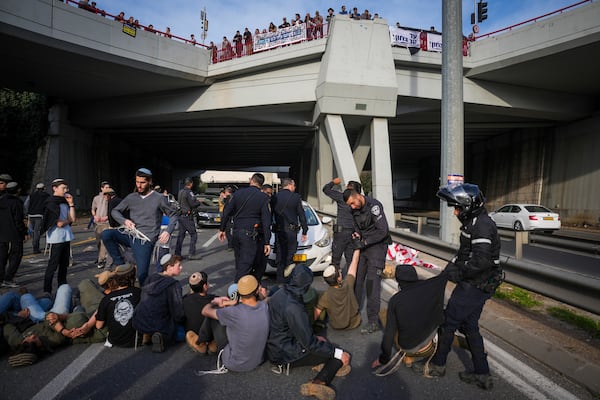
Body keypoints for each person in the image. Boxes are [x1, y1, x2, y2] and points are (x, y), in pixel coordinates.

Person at [412, 183, 503, 390]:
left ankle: (438, 365)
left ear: (468, 206)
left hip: (476, 284)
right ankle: (482, 374)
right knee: (470, 326)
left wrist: (458, 274)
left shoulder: (482, 226)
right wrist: (447, 272)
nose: (454, 212)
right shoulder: (472, 223)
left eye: (457, 208)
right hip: (476, 283)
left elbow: (481, 262)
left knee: (448, 322)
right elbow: (463, 255)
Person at [267, 264, 351, 400]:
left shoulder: (280, 293)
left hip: (276, 346)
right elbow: (310, 344)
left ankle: (320, 364)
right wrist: (338, 353)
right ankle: (318, 382)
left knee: (322, 344)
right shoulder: (294, 308)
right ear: (305, 286)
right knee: (337, 356)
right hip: (285, 354)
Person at [101, 168, 178, 285]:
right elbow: (115, 211)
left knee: (142, 276)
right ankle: (121, 265)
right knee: (106, 234)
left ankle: (144, 298)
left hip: (145, 240)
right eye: (137, 182)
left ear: (150, 182)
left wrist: (168, 231)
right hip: (130, 234)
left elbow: (173, 214)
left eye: (142, 182)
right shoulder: (131, 198)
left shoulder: (159, 198)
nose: (139, 185)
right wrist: (125, 221)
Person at [371, 264, 447, 375]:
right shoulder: (432, 285)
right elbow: (446, 273)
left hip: (410, 348)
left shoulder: (396, 300)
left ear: (398, 280)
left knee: (384, 314)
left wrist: (383, 359)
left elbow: (389, 334)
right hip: (431, 345)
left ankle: (409, 357)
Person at [197, 275, 269, 372]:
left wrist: (214, 302)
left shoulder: (234, 312)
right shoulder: (264, 306)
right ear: (257, 291)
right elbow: (261, 300)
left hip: (234, 363)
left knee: (215, 316)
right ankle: (209, 343)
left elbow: (205, 311)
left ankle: (201, 342)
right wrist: (232, 302)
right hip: (258, 360)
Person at [343, 188, 390, 334]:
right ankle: (354, 313)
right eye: (349, 205)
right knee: (357, 280)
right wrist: (356, 235)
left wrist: (366, 242)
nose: (352, 207)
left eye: (353, 203)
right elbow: (357, 226)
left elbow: (383, 231)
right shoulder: (353, 209)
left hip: (376, 246)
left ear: (358, 196)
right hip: (363, 245)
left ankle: (373, 321)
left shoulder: (374, 206)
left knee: (372, 284)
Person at [218, 173, 271, 282]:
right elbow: (266, 221)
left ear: (251, 180)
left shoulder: (237, 194)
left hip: (236, 232)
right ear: (261, 184)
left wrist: (222, 229)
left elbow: (226, 212)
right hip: (250, 234)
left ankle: (243, 288)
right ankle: (237, 292)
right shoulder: (263, 197)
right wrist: (267, 241)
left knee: (239, 262)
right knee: (246, 264)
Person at [78, 264, 141, 347]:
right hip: (136, 340)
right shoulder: (138, 292)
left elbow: (99, 325)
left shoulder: (106, 299)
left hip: (114, 340)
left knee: (84, 287)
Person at [133, 254, 185, 353]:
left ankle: (147, 334)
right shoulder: (174, 285)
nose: (181, 267)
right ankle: (161, 335)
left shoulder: (150, 278)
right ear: (169, 267)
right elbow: (177, 310)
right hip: (160, 322)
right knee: (181, 333)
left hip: (141, 319)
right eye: (179, 265)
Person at [42, 179, 76, 294]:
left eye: (67, 188)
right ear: (54, 188)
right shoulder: (50, 202)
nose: (65, 191)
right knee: (53, 265)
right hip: (56, 237)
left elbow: (73, 219)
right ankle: (47, 290)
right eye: (63, 188)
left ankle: (62, 287)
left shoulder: (64, 201)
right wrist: (67, 220)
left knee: (64, 265)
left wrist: (71, 204)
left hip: (66, 236)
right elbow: (59, 223)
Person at [271, 178, 307, 284]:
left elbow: (271, 214)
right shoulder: (295, 197)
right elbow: (301, 215)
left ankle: (279, 281)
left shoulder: (274, 197)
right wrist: (305, 230)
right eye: (294, 185)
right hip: (291, 232)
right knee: (290, 256)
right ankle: (288, 280)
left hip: (279, 230)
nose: (294, 188)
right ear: (290, 185)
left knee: (280, 256)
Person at [314, 249, 361, 330]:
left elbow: (317, 312)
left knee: (317, 298)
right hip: (354, 323)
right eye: (339, 272)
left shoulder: (326, 295)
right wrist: (357, 249)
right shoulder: (348, 284)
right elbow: (354, 263)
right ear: (339, 278)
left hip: (336, 326)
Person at [322, 178, 362, 272]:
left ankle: (335, 281)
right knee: (351, 261)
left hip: (341, 233)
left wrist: (333, 182)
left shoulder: (342, 197)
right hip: (353, 233)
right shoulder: (359, 201)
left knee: (335, 260)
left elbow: (326, 189)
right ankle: (351, 282)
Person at [0, 181, 28, 288]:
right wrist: (24, 232)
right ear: (18, 190)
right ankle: (8, 278)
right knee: (15, 256)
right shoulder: (17, 202)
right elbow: (18, 220)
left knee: (2, 257)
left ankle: (1, 278)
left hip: (1, 234)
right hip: (14, 234)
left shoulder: (1, 200)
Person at [183, 271, 216, 352]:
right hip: (210, 333)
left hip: (193, 331)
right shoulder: (214, 300)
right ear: (205, 286)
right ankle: (213, 343)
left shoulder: (184, 300)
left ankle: (199, 343)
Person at [175, 177, 202, 260]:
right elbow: (192, 204)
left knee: (181, 235)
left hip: (181, 216)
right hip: (187, 216)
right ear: (191, 184)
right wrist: (198, 202)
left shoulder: (180, 191)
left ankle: (177, 254)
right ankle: (191, 253)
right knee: (193, 234)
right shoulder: (189, 192)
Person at [24, 182, 50, 254]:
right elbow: (49, 205)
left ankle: (35, 244)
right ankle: (36, 248)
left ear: (36, 188)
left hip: (31, 215)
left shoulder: (31, 195)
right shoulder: (47, 195)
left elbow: (26, 204)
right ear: (44, 188)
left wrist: (27, 213)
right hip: (40, 215)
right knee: (37, 232)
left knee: (32, 231)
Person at [91, 181, 111, 269]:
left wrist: (107, 217)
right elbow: (93, 209)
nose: (107, 189)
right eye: (106, 187)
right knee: (98, 242)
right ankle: (100, 256)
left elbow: (112, 210)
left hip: (106, 223)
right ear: (102, 188)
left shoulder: (109, 198)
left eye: (108, 187)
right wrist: (95, 216)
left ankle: (101, 260)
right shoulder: (96, 198)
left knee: (104, 242)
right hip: (97, 223)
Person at [218, 187, 233, 251]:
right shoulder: (232, 197)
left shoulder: (228, 198)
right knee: (229, 232)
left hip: (228, 216)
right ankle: (231, 245)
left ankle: (231, 245)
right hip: (230, 216)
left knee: (228, 232)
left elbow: (223, 203)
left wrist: (221, 229)